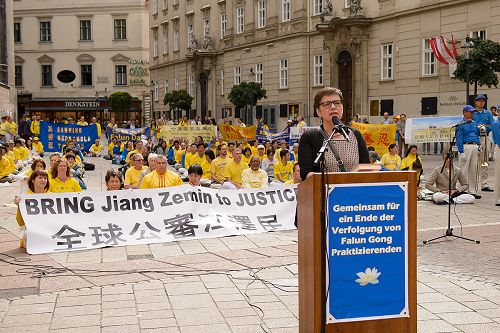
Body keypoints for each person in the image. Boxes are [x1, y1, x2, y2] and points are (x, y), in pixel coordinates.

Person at [299, 87, 369, 180]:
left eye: (337, 103)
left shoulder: (356, 135)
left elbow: (366, 168)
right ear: (318, 111)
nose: (333, 107)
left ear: (342, 107)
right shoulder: (310, 137)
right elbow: (305, 173)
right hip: (325, 192)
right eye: (327, 104)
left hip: (353, 192)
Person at [15, 170, 51, 248]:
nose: (43, 180)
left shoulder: (51, 196)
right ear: (33, 180)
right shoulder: (25, 197)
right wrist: (19, 207)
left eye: (45, 178)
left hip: (50, 228)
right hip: (34, 230)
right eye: (40, 178)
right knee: (27, 236)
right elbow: (20, 223)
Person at [457, 105, 481, 198]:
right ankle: (460, 189)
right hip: (465, 146)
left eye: (473, 112)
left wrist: (478, 145)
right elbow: (459, 138)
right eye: (470, 112)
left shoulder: (474, 122)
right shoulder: (461, 124)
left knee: (473, 169)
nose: (472, 114)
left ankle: (472, 190)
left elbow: (477, 134)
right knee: (463, 169)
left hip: (474, 145)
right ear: (465, 112)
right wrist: (461, 151)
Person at [473, 94, 495, 192]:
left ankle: (484, 184)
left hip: (484, 138)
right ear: (475, 102)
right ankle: (473, 184)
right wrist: (477, 127)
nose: (481, 102)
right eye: (479, 100)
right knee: (474, 162)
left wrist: (486, 127)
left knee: (484, 161)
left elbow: (492, 124)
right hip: (474, 138)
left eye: (483, 101)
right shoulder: (472, 112)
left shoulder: (488, 113)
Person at [491, 116, 500, 206]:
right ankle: (498, 199)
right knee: (498, 174)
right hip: (499, 148)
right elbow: (498, 138)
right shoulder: (496, 123)